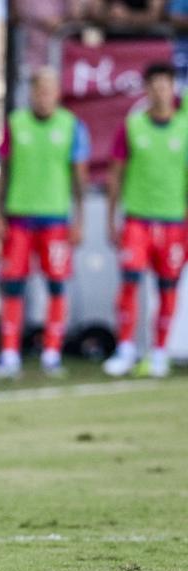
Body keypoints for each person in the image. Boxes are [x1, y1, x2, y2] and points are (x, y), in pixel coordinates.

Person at [0, 67, 90, 378]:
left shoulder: (72, 126)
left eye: (49, 90)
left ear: (58, 93)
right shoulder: (16, 124)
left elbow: (79, 179)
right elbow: (2, 172)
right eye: (39, 90)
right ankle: (9, 354)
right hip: (19, 218)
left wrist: (79, 219)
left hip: (56, 220)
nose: (44, 96)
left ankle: (51, 353)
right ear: (31, 93)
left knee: (57, 286)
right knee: (13, 286)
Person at [103, 63, 187, 378]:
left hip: (174, 222)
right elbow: (115, 174)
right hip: (137, 220)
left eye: (166, 85)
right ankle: (125, 349)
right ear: (147, 90)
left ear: (173, 89)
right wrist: (112, 218)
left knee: (168, 289)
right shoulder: (133, 127)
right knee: (130, 283)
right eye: (154, 85)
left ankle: (160, 352)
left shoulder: (185, 127)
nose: (160, 91)